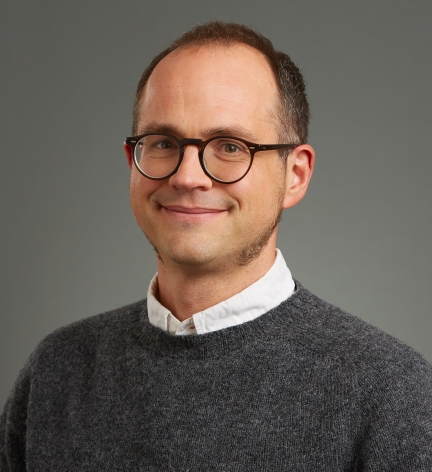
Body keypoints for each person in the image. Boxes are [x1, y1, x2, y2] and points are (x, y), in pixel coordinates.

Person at [1, 21, 431, 471]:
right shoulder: (56, 371)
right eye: (164, 142)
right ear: (133, 161)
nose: (187, 176)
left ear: (295, 175)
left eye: (230, 146)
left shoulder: (392, 394)